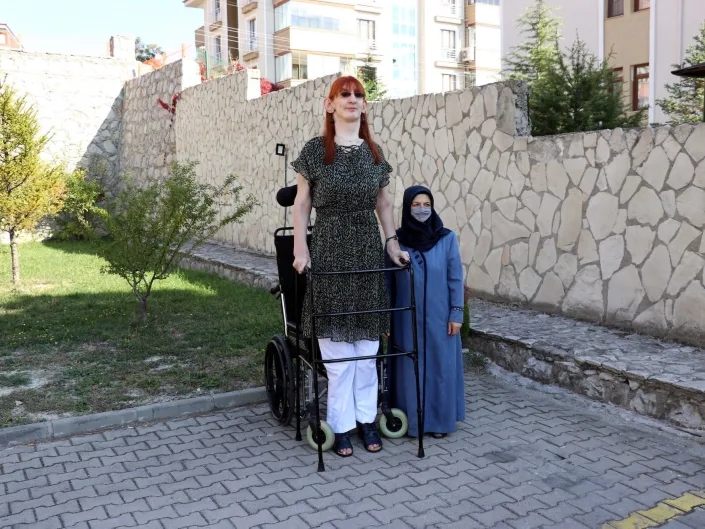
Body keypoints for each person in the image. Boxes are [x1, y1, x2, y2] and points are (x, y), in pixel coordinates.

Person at [291, 76, 409, 457]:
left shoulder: (373, 152)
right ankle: (340, 426)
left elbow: (384, 205)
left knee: (367, 351)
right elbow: (302, 205)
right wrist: (300, 249)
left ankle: (366, 420)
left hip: (366, 253)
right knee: (340, 360)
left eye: (359, 95)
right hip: (328, 249)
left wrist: (392, 243)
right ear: (330, 105)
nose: (353, 100)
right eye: (345, 94)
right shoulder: (314, 152)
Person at [387, 186, 465, 439]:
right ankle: (409, 419)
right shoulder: (395, 242)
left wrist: (457, 314)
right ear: (407, 209)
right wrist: (385, 318)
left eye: (426, 204)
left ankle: (439, 422)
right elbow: (387, 282)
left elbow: (455, 278)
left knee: (439, 367)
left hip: (440, 317)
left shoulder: (446, 238)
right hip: (405, 318)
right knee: (409, 368)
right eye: (415, 205)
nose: (422, 209)